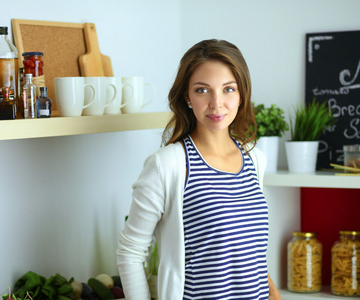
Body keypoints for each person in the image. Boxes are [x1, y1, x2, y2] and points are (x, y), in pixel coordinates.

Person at [116, 39, 281, 300]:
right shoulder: (167, 165)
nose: (217, 103)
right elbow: (131, 252)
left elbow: (249, 252)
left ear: (241, 95)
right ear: (187, 96)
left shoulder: (254, 159)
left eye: (228, 89)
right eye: (203, 90)